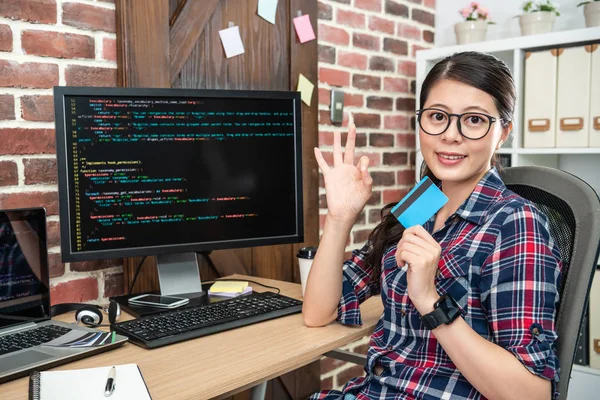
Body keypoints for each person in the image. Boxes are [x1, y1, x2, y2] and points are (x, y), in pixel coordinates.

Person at [303, 51, 562, 400]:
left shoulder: (516, 223)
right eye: (438, 116)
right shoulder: (422, 202)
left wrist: (430, 300)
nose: (450, 135)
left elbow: (531, 394)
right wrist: (339, 219)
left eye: (473, 120)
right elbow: (319, 312)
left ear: (503, 132)